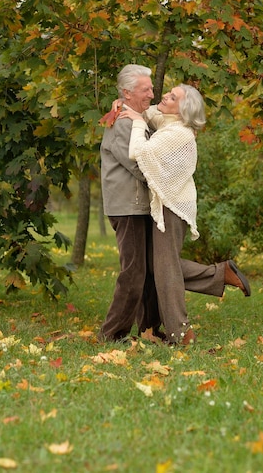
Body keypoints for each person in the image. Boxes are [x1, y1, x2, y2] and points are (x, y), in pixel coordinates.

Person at [119, 83, 251, 345]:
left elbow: (137, 153)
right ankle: (219, 273)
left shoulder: (179, 134)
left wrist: (134, 121)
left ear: (184, 109)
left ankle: (180, 333)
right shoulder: (170, 123)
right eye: (168, 93)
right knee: (157, 267)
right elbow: (151, 112)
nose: (165, 97)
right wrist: (124, 106)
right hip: (168, 204)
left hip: (172, 207)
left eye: (172, 97)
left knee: (165, 270)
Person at [98, 64, 161, 342]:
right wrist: (167, 178)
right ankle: (112, 333)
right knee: (134, 272)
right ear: (127, 92)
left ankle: (149, 329)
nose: (152, 93)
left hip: (138, 205)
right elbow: (139, 166)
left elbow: (159, 110)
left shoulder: (133, 116)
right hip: (128, 207)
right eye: (145, 89)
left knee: (148, 271)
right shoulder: (123, 123)